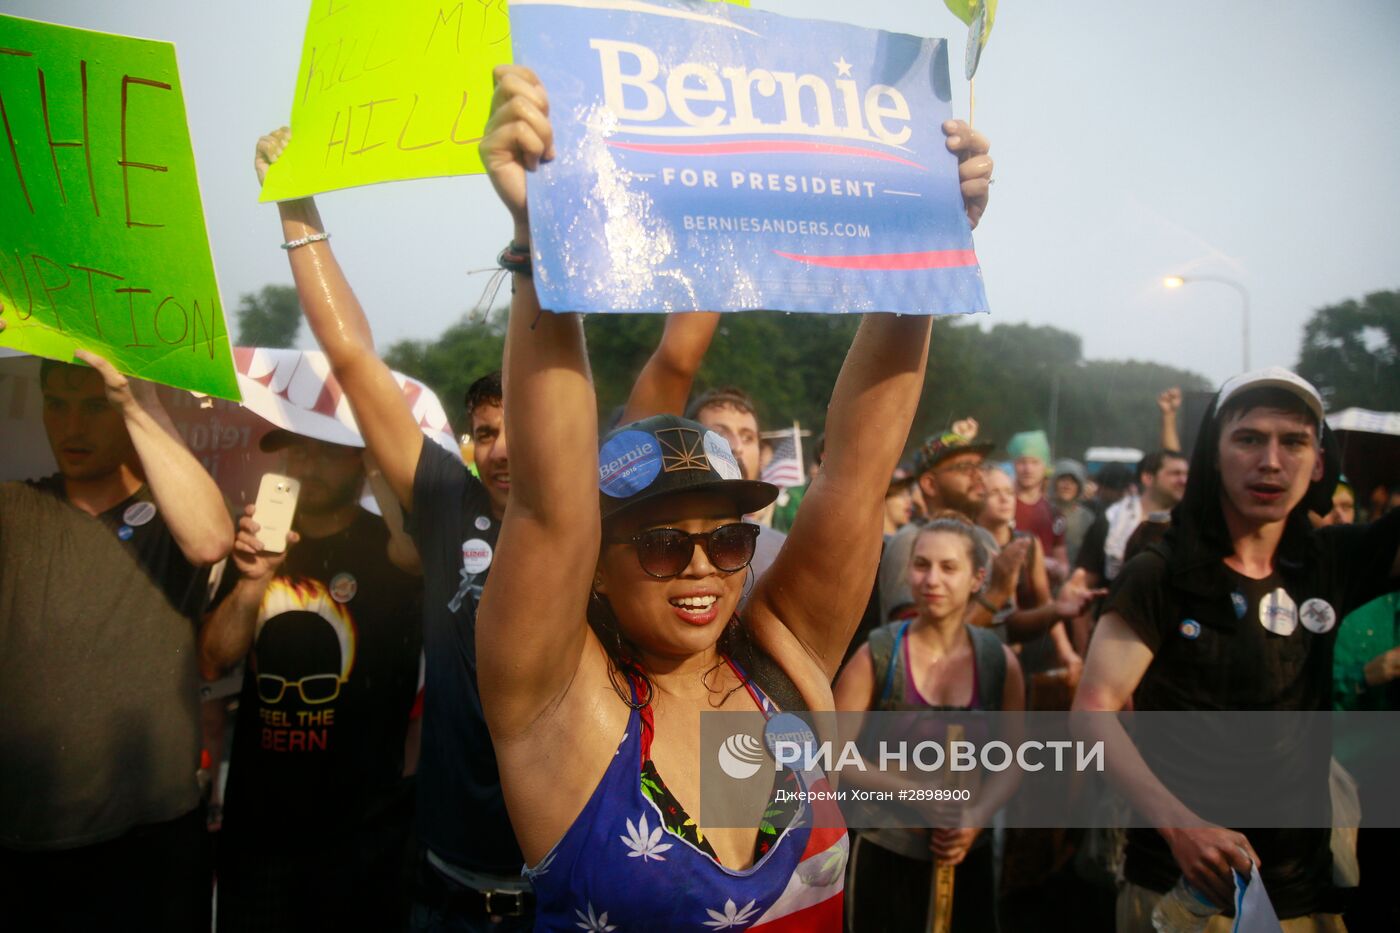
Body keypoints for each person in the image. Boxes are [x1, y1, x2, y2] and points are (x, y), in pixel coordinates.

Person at [473, 64, 992, 929]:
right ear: (596, 568)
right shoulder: (558, 706)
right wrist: (541, 237)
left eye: (728, 539)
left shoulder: (778, 668)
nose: (704, 566)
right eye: (664, 543)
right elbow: (549, 505)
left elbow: (857, 475)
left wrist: (924, 245)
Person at [254, 128, 531, 928]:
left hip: (566, 890)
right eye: (486, 431)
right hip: (442, 884)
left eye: (521, 424)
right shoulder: (449, 504)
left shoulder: (595, 518)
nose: (502, 446)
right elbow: (350, 355)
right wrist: (297, 208)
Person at [1073, 367, 1400, 931]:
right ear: (1213, 457)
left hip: (1303, 891)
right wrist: (1181, 830)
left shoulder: (1331, 562)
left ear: (1319, 463)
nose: (1271, 460)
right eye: (1248, 438)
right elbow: (1091, 713)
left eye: (1294, 441)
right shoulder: (1162, 572)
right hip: (1185, 890)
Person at [0, 349, 232, 930]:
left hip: (149, 838)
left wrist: (138, 399)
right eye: (56, 405)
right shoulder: (16, 508)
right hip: (23, 834)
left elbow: (209, 540)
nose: (71, 426)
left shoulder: (170, 520)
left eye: (93, 406)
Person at [199, 429, 424, 932]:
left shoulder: (393, 548)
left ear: (360, 459)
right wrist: (255, 579)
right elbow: (213, 658)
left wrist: (374, 456)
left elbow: (418, 553)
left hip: (364, 830)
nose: (310, 463)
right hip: (260, 827)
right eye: (298, 449)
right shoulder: (254, 543)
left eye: (329, 449)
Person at [835, 516, 1024, 933]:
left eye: (948, 568)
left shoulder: (998, 662)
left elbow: (1014, 760)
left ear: (977, 579)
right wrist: (919, 794)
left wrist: (975, 816)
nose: (931, 580)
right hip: (885, 849)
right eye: (922, 565)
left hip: (964, 852)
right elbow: (832, 754)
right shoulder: (880, 655)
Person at [978, 466, 1089, 686]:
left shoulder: (1028, 543)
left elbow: (1044, 599)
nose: (1004, 499)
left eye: (1009, 492)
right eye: (994, 493)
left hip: (1028, 649)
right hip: (982, 650)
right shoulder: (968, 543)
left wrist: (1065, 650)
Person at [1007, 430, 1068, 577]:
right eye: (1022, 462)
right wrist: (1040, 561)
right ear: (1013, 465)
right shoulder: (1002, 506)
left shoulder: (1054, 513)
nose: (1028, 469)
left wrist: (1058, 569)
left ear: (1044, 466)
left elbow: (1062, 563)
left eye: (1035, 462)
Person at [1052, 458, 1095, 566]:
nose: (1067, 485)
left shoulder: (1087, 518)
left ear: (1079, 486)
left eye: (1073, 481)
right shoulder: (1043, 511)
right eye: (1063, 479)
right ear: (1054, 482)